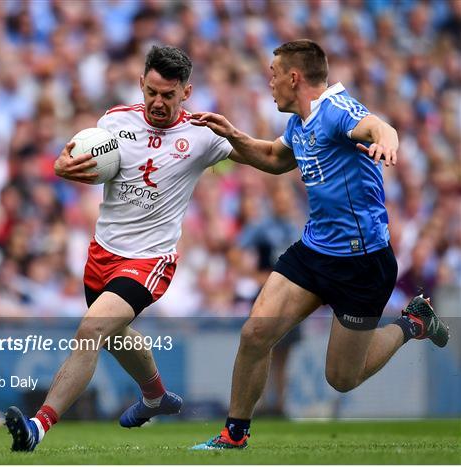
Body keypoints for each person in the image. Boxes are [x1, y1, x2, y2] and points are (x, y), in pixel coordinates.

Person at [3, 45, 270, 452]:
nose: (158, 102)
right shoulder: (113, 121)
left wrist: (240, 135)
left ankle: (38, 427)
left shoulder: (203, 135)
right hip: (102, 253)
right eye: (152, 92)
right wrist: (60, 166)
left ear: (186, 92)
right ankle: (156, 397)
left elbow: (268, 158)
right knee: (115, 335)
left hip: (150, 259)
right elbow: (74, 161)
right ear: (141, 84)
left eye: (168, 95)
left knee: (92, 329)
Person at [189, 39, 450, 450]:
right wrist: (230, 136)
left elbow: (379, 127)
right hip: (314, 252)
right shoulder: (299, 122)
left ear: (294, 78)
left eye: (273, 75)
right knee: (256, 333)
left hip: (362, 264)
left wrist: (389, 143)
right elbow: (275, 158)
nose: (269, 83)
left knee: (342, 378)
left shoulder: (337, 111)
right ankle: (233, 435)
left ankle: (412, 322)